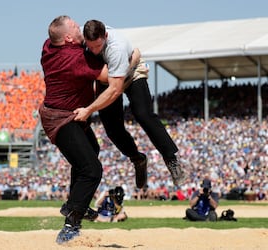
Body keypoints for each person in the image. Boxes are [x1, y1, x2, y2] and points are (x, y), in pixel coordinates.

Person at [40, 15, 141, 244]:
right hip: (63, 119)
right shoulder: (77, 59)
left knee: (91, 150)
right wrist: (132, 61)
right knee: (92, 169)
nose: (79, 27)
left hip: (62, 113)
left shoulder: (48, 46)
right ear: (67, 38)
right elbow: (114, 82)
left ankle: (75, 205)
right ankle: (70, 224)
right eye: (75, 27)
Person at [74, 19, 186, 187]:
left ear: (105, 36)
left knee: (143, 113)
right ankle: (137, 159)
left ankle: (171, 159)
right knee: (112, 128)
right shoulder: (79, 35)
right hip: (107, 78)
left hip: (131, 73)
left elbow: (115, 89)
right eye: (91, 47)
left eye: (98, 46)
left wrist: (89, 110)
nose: (95, 51)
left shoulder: (116, 47)